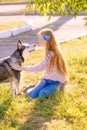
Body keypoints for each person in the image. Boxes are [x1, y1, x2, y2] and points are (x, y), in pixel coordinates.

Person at [10, 28, 67, 98]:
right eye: (39, 39)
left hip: (58, 82)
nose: (40, 42)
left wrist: (21, 68)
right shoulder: (46, 50)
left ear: (48, 40)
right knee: (32, 95)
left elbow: (39, 67)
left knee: (41, 94)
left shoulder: (53, 53)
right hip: (46, 79)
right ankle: (33, 88)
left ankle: (56, 87)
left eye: (41, 40)